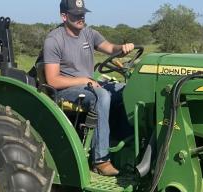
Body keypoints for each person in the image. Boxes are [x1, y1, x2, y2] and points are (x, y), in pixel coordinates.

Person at [43, 0, 134, 176]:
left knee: (125, 90)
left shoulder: (89, 33)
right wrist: (83, 80)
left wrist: (122, 48)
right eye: (76, 14)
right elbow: (53, 80)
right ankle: (101, 160)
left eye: (82, 13)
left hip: (89, 85)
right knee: (102, 96)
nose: (81, 17)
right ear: (64, 16)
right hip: (65, 91)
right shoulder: (54, 40)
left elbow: (109, 48)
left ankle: (126, 144)